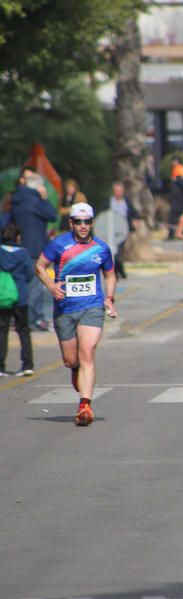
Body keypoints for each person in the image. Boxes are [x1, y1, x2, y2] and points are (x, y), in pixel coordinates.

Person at [35, 203, 117, 426]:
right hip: (65, 310)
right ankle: (75, 370)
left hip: (92, 307)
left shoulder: (101, 248)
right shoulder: (58, 245)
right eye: (78, 222)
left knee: (87, 352)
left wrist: (109, 298)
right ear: (71, 223)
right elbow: (40, 266)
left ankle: (85, 405)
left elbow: (110, 275)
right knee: (71, 360)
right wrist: (52, 287)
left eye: (87, 221)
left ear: (92, 223)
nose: (83, 226)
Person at [11, 168, 58, 331]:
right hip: (35, 246)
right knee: (36, 285)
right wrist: (44, 198)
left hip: (22, 244)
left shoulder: (18, 198)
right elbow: (52, 215)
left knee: (25, 284)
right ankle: (35, 319)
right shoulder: (35, 200)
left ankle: (26, 319)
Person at [0, 225, 35, 377]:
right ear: (18, 237)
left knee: (2, 331)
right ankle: (27, 365)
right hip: (20, 296)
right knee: (23, 331)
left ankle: (1, 366)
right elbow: (29, 274)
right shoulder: (23, 253)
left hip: (2, 296)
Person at [108, 181, 143, 280]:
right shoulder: (110, 202)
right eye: (116, 191)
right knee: (113, 251)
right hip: (112, 229)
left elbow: (134, 212)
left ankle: (119, 270)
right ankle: (118, 272)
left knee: (119, 251)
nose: (118, 193)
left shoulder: (126, 201)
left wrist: (137, 220)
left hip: (123, 230)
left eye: (120, 191)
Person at [167, 157, 183, 240]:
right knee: (176, 215)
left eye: (174, 161)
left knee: (176, 215)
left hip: (179, 198)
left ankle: (177, 233)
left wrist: (177, 179)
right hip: (175, 197)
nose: (172, 163)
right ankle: (174, 233)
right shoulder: (176, 170)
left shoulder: (180, 170)